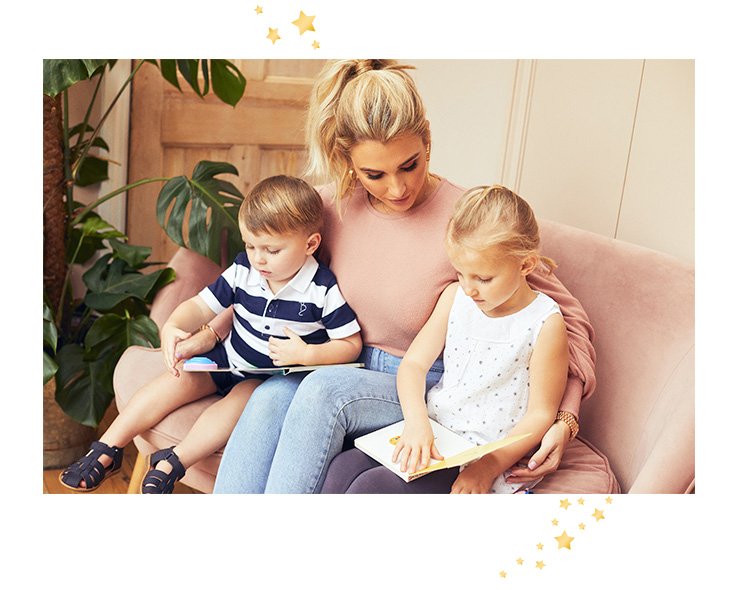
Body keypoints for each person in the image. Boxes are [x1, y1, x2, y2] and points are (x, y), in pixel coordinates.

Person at [179, 59, 595, 494]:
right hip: (338, 362)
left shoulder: (467, 218)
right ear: (349, 163)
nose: (397, 188)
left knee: (322, 392)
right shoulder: (331, 208)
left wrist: (564, 418)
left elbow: (562, 319)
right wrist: (210, 331)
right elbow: (264, 274)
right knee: (266, 397)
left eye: (409, 165)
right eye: (374, 174)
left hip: (418, 381)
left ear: (428, 142)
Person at [58, 175, 362, 493]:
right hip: (227, 358)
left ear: (310, 244)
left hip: (266, 378)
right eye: (251, 245)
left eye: (272, 250)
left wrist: (309, 354)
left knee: (240, 401)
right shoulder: (244, 270)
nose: (259, 258)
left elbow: (350, 344)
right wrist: (175, 326)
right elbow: (201, 307)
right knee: (178, 380)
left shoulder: (321, 288)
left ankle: (172, 462)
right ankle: (108, 448)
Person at [322, 185, 568, 493]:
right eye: (461, 274)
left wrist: (487, 466)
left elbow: (541, 414)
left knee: (371, 488)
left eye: (483, 278)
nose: (469, 288)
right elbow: (413, 365)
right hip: (437, 432)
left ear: (525, 265)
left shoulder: (544, 323)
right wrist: (416, 422)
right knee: (344, 467)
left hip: (481, 452)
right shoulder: (456, 298)